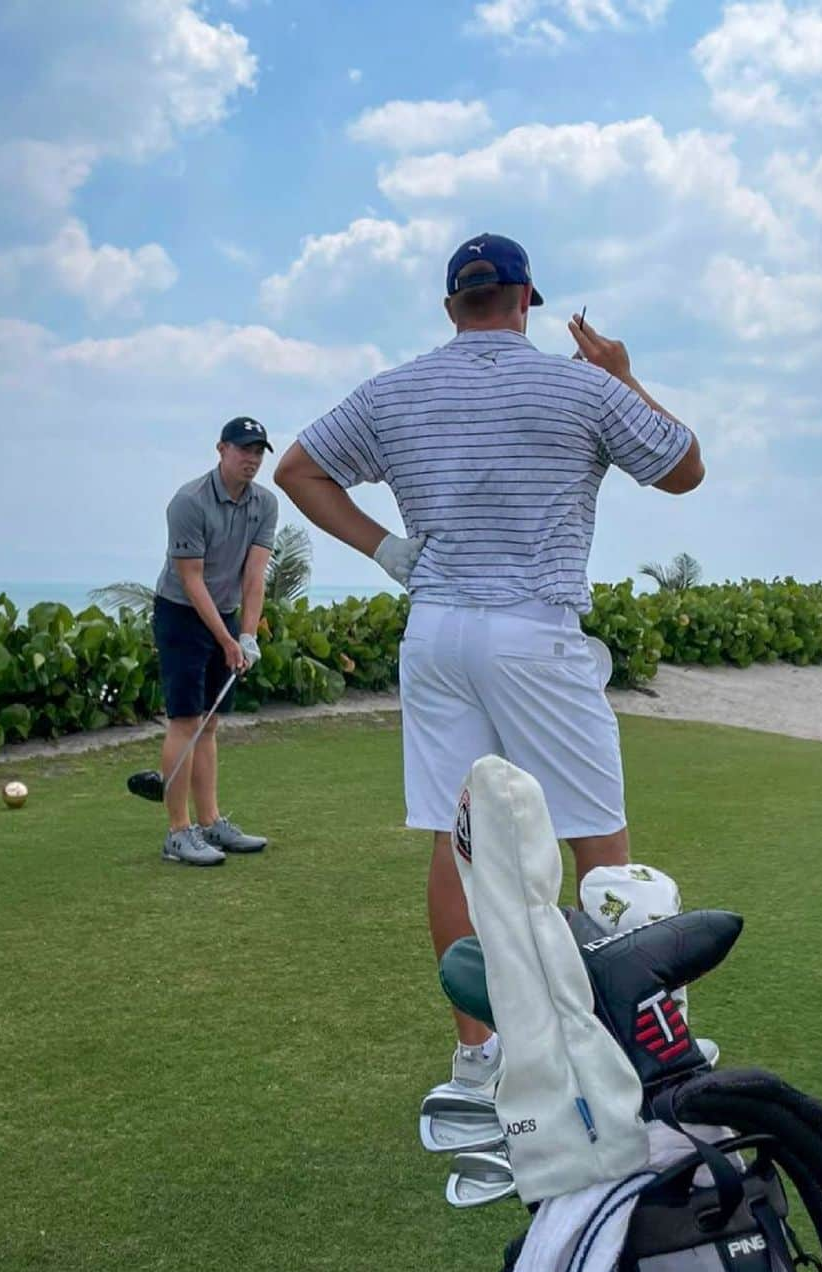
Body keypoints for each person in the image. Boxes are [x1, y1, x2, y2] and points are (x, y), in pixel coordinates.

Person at [273, 233, 704, 1090]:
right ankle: (631, 1049)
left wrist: (388, 552)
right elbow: (684, 469)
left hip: (436, 633)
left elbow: (298, 469)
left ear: (450, 307)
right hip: (533, 632)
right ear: (524, 301)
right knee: (598, 841)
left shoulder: (397, 389)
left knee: (457, 835)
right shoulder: (579, 384)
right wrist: (619, 370)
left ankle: (478, 1056)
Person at [153, 417, 278, 866]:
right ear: (221, 449)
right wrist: (226, 639)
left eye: (259, 451)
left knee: (210, 725)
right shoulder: (188, 502)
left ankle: (210, 823)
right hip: (182, 615)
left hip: (224, 613)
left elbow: (253, 577)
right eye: (244, 450)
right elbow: (192, 581)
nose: (252, 459)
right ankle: (177, 832)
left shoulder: (266, 504)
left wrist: (246, 635)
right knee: (186, 720)